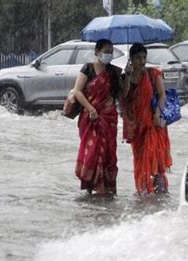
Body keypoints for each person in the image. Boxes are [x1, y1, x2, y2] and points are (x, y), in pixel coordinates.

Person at [68, 39, 122, 195]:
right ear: (97, 52)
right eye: (106, 51)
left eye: (111, 52)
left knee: (109, 153)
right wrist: (91, 109)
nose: (109, 54)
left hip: (108, 118)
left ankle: (106, 187)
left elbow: (119, 95)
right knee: (92, 152)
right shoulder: (87, 69)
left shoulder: (114, 72)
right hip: (91, 118)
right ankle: (91, 185)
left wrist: (127, 76)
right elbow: (77, 91)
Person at [121, 43, 172, 196]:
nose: (142, 61)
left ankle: (160, 192)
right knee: (140, 159)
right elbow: (123, 96)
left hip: (153, 124)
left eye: (144, 57)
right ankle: (143, 191)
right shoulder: (125, 77)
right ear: (131, 59)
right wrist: (128, 77)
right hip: (136, 126)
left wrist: (157, 113)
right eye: (138, 58)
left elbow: (162, 95)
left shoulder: (153, 74)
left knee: (155, 158)